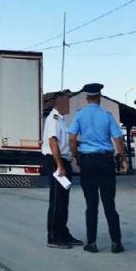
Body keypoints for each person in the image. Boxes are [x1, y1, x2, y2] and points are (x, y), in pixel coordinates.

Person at [68, 82, 128, 253]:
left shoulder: (80, 115)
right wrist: (123, 160)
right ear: (99, 97)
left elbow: (72, 139)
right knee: (109, 204)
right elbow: (118, 139)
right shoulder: (107, 115)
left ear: (87, 98)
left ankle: (92, 243)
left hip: (87, 162)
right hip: (105, 161)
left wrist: (76, 156)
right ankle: (116, 243)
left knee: (91, 205)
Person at [41, 97, 83, 248]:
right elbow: (53, 142)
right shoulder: (53, 119)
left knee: (63, 201)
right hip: (55, 161)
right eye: (67, 104)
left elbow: (64, 142)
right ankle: (53, 237)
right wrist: (60, 166)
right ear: (59, 104)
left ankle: (63, 233)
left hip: (63, 160)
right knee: (57, 200)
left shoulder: (62, 120)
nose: (69, 106)